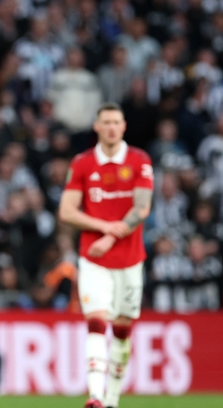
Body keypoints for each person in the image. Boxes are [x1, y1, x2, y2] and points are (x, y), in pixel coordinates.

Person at [58, 103, 154, 408]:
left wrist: (110, 237)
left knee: (123, 331)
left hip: (130, 258)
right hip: (93, 258)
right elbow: (66, 211)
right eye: (106, 122)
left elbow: (141, 208)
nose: (111, 127)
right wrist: (102, 227)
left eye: (116, 122)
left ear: (123, 126)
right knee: (97, 323)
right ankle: (96, 396)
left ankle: (112, 398)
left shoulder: (139, 160)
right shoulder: (84, 163)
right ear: (97, 127)